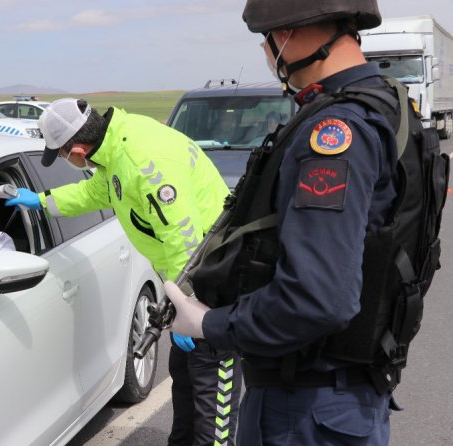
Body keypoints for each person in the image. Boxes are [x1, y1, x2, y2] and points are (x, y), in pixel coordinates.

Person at [164, 1, 428, 444]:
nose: (269, 55)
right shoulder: (391, 104)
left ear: (288, 34)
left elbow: (318, 297)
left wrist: (211, 325)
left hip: (305, 408)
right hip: (348, 396)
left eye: (267, 41)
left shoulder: (335, 131)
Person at [5, 98, 242, 445]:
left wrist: (188, 306)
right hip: (189, 283)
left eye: (61, 154)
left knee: (212, 412)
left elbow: (184, 238)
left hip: (210, 285)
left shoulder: (140, 160)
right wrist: (42, 201)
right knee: (186, 395)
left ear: (78, 149)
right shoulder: (116, 149)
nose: (64, 161)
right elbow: (97, 192)